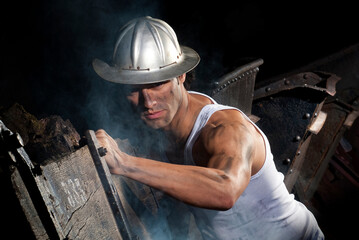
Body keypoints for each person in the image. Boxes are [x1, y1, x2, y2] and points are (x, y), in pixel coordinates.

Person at [93, 16, 324, 239]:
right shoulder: (160, 134)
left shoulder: (226, 128)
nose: (148, 102)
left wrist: (124, 163)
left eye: (157, 84)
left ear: (181, 75)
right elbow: (180, 202)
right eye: (133, 89)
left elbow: (225, 191)